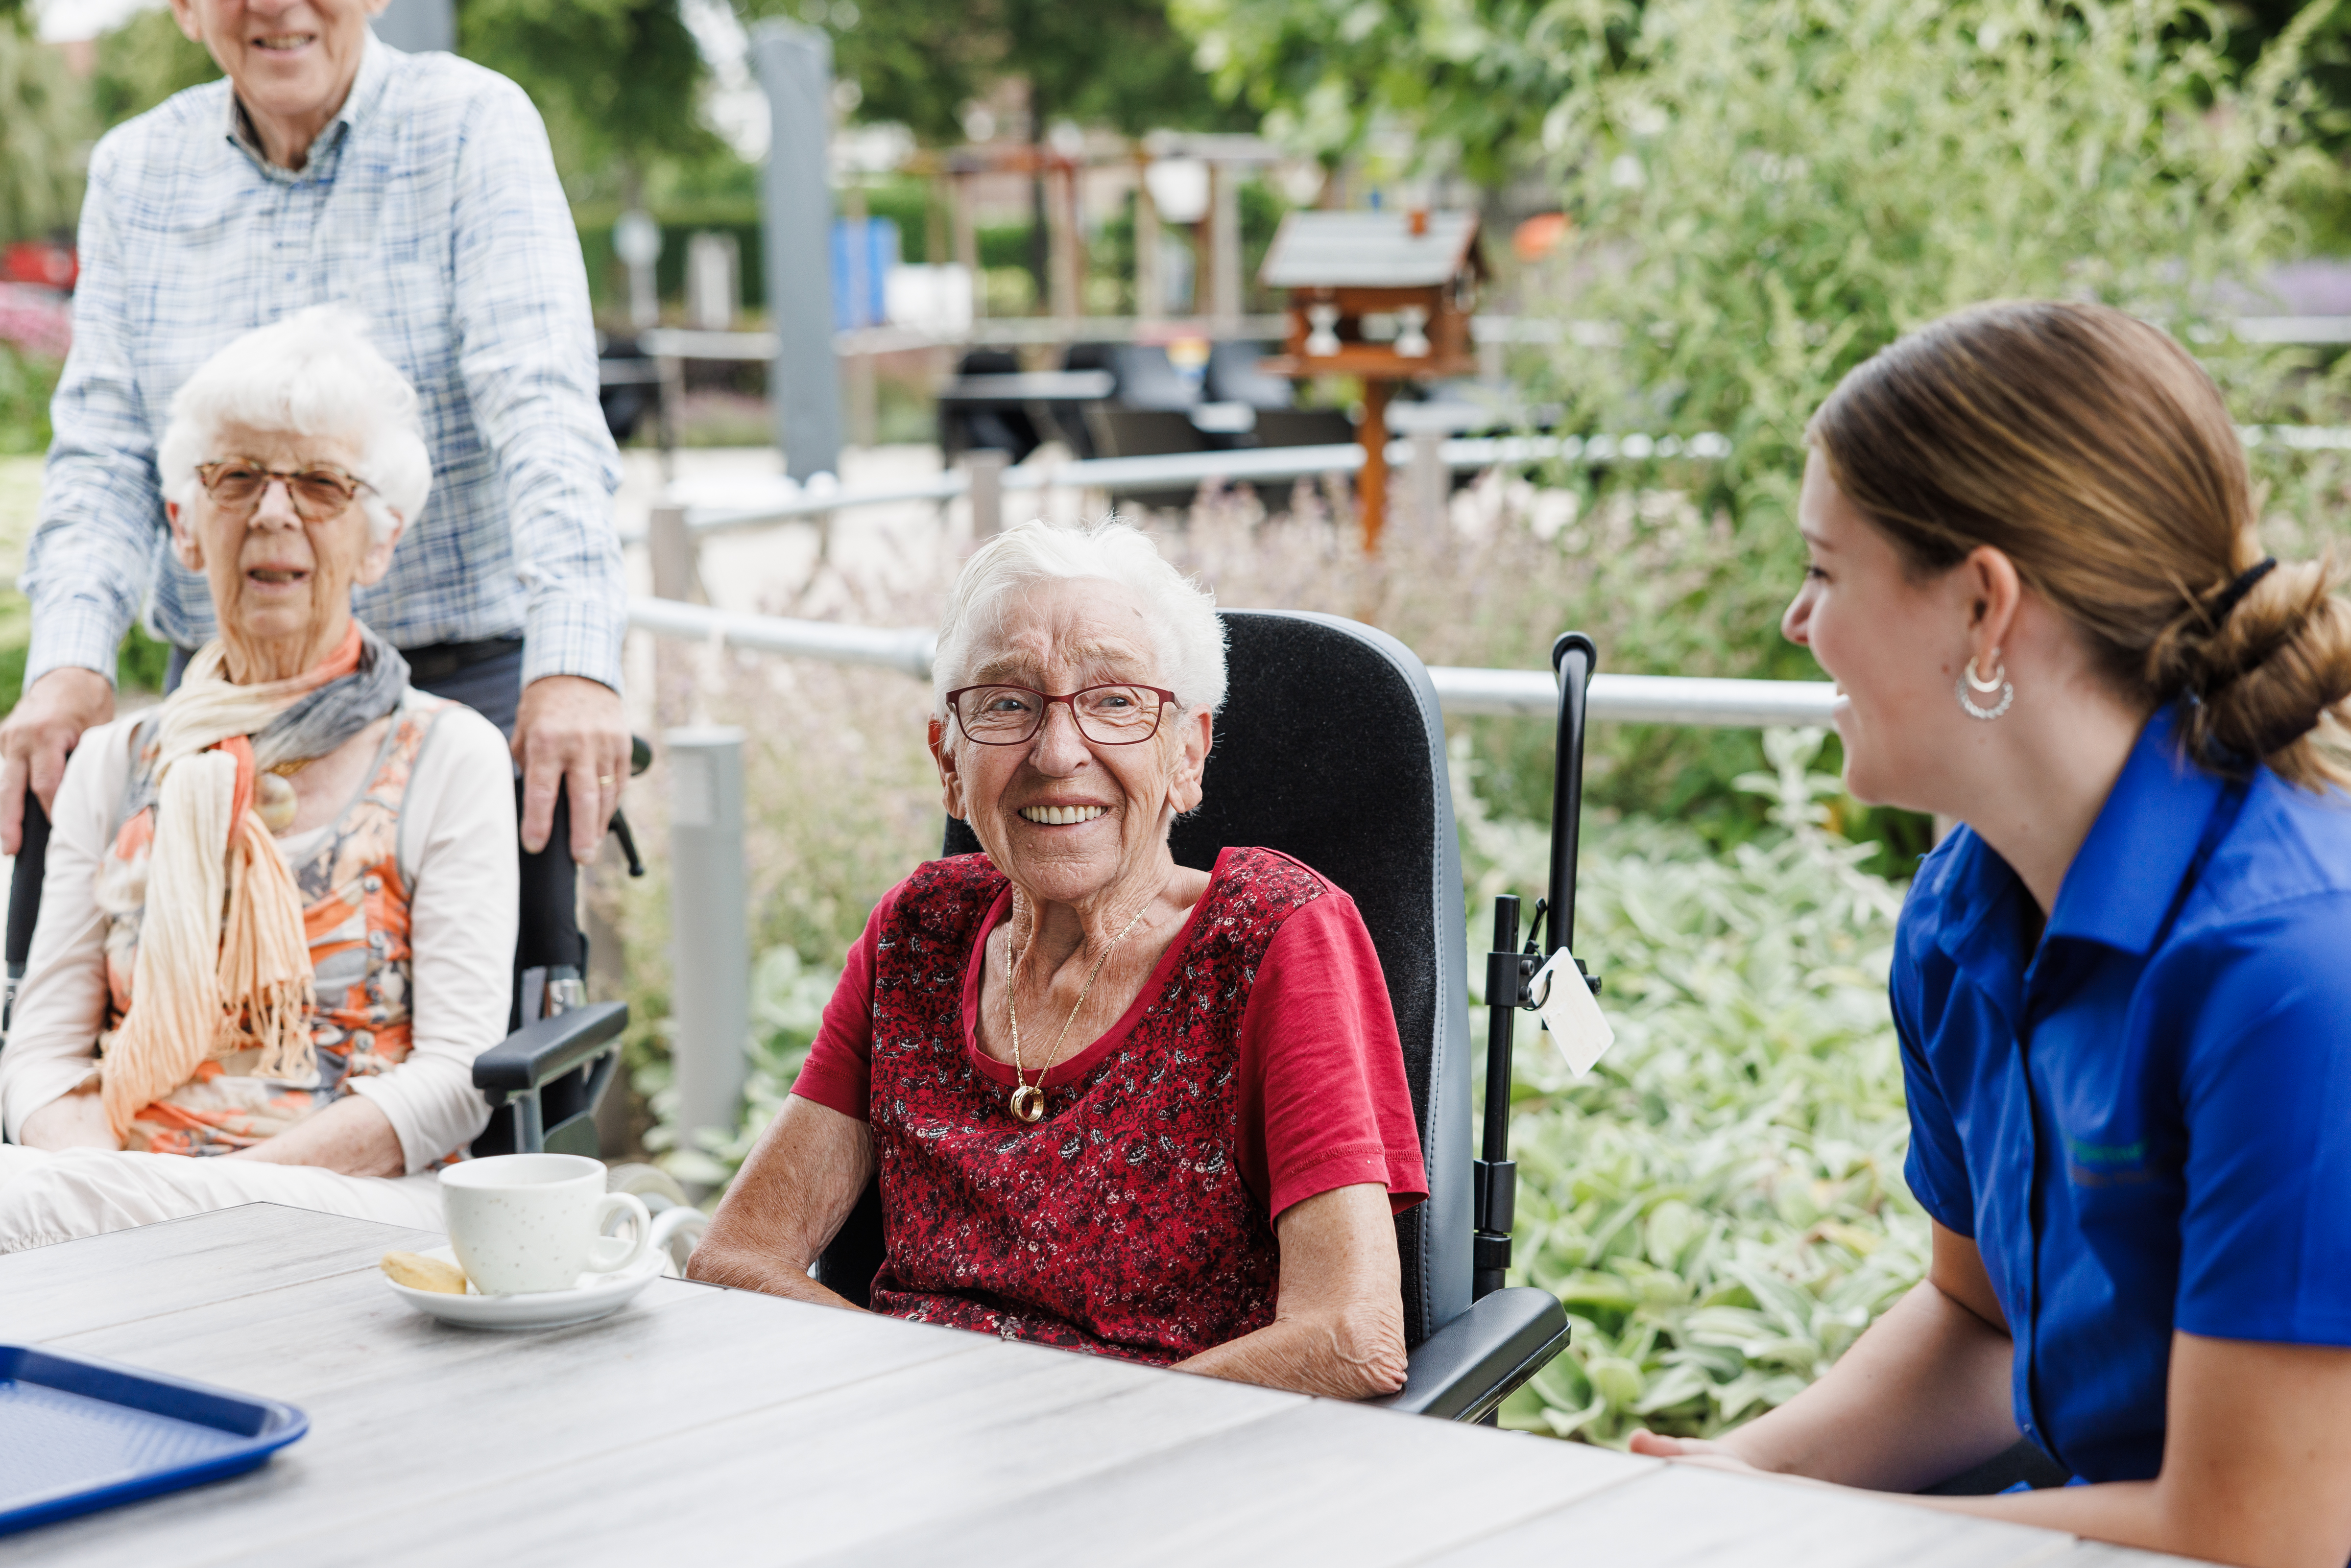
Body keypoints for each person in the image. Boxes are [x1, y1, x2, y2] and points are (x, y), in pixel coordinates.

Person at [1629, 300, 2351, 1567]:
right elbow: (1978, 1324)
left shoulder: (2296, 973)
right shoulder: (1968, 901)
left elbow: (2263, 1534)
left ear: (1982, 607)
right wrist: (1730, 1471)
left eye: (1821, 570)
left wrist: (1785, 1532)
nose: (1798, 625)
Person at [689, 520, 1428, 1399]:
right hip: (907, 1459)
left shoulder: (1275, 934)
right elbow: (735, 1259)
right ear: (949, 763)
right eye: (1007, 702)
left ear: (1188, 752)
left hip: (1169, 1484)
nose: (1057, 751)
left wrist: (1053, 1445)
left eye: (1115, 700)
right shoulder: (918, 935)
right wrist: (914, 1413)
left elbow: (1353, 1334)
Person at [2, 0, 627, 871]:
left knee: (484, 997)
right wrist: (69, 663)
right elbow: (105, 457)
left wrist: (575, 666)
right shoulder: (136, 171)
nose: (274, 5)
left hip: (456, 690)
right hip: (227, 701)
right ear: (185, 9)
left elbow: (544, 410)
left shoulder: (469, 127)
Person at [0, 309, 517, 1251]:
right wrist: (110, 1183)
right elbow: (39, 1051)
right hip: (108, 1190)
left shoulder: (452, 755)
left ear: (380, 540)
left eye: (321, 483)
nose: (274, 511)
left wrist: (207, 1198)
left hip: (349, 1209)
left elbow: (452, 1081)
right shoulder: (116, 764)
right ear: (184, 528)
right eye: (236, 478)